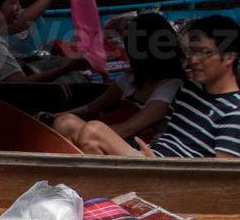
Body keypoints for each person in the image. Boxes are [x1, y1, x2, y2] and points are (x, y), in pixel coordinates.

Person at [69, 14, 240, 159]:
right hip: (153, 156)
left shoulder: (234, 112)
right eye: (192, 52)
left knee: (94, 130)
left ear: (229, 57)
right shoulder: (190, 89)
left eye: (204, 52)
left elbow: (221, 175)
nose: (193, 60)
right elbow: (164, 130)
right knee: (67, 123)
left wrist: (156, 162)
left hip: (172, 175)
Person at [41, 12, 185, 146]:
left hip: (137, 146)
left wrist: (85, 133)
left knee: (67, 125)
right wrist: (53, 117)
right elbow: (90, 108)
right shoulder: (131, 78)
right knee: (64, 122)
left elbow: (127, 129)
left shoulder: (172, 85)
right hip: (110, 136)